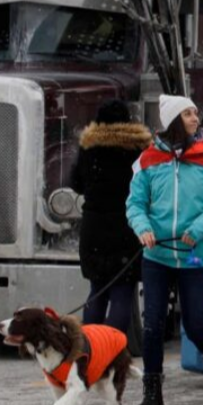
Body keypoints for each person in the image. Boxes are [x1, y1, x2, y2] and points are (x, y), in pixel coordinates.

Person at [125, 94, 203, 405]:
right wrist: (142, 227)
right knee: (152, 326)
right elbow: (135, 203)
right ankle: (152, 395)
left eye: (193, 112)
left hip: (195, 255)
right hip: (156, 255)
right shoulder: (147, 159)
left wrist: (200, 227)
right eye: (187, 113)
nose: (195, 118)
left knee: (195, 324)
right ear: (172, 120)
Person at [71, 100, 153, 330]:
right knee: (123, 291)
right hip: (128, 226)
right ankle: (114, 347)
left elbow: (76, 183)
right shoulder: (139, 148)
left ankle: (91, 348)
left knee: (97, 290)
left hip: (94, 227)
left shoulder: (89, 146)